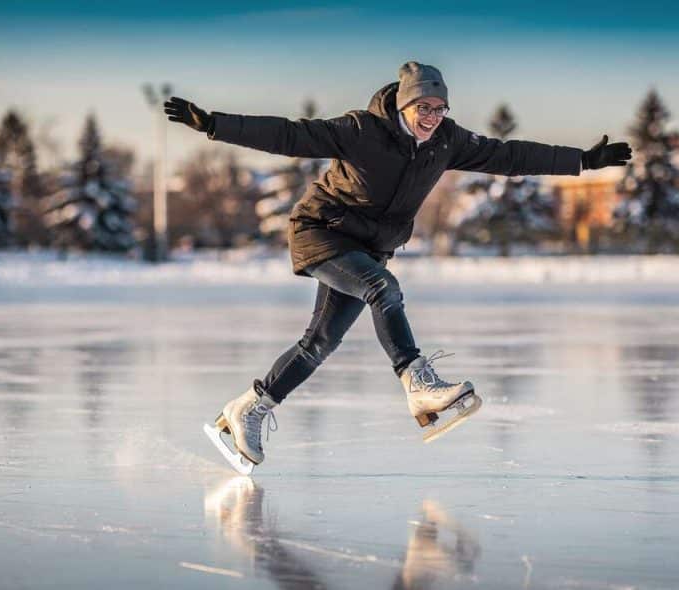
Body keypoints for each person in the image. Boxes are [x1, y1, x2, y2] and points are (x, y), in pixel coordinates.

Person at [165, 61, 631, 471]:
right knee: (382, 288)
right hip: (322, 231)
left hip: (369, 247)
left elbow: (508, 156)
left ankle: (250, 407)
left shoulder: (446, 141)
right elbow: (288, 135)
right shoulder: (360, 130)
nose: (431, 118)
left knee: (320, 343)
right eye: (422, 108)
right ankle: (417, 381)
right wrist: (213, 124)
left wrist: (584, 160)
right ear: (403, 106)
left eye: (438, 109)